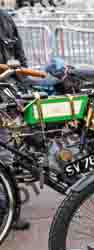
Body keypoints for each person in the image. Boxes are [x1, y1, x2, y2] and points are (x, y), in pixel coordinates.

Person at [0, 8, 28, 231]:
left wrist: (22, 86)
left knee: (5, 156)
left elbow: (18, 54)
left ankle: (6, 209)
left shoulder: (6, 20)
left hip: (4, 95)